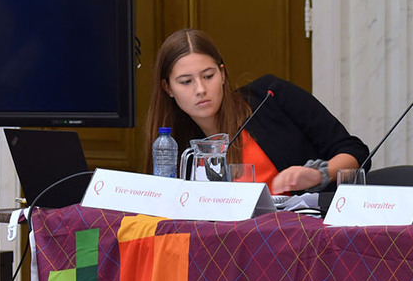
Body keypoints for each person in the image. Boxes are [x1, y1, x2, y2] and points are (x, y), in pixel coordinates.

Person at [144, 28, 369, 193]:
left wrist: (319, 173)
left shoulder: (270, 97)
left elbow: (356, 152)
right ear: (168, 88)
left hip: (301, 235)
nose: (201, 89)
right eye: (186, 81)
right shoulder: (172, 146)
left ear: (222, 74)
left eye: (208, 76)